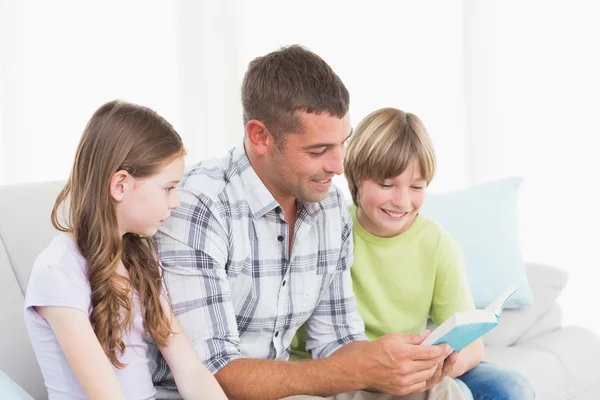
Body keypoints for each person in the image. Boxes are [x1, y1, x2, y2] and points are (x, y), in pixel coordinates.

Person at [150, 46, 464, 400]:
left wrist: (405, 362)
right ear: (260, 137)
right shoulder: (199, 206)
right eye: (318, 151)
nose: (338, 166)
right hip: (207, 394)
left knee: (442, 392)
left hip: (290, 390)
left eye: (341, 144)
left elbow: (337, 339)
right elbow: (213, 374)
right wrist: (357, 370)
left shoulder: (328, 205)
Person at [24, 100, 227, 400]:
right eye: (168, 188)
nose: (176, 202)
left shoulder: (139, 259)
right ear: (120, 185)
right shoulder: (58, 271)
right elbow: (106, 395)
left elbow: (189, 369)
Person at [339, 107, 536, 399]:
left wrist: (442, 369)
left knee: (510, 388)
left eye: (416, 186)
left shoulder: (435, 243)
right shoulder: (333, 233)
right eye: (386, 185)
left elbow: (473, 346)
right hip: (358, 368)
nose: (402, 201)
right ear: (356, 179)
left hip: (420, 368)